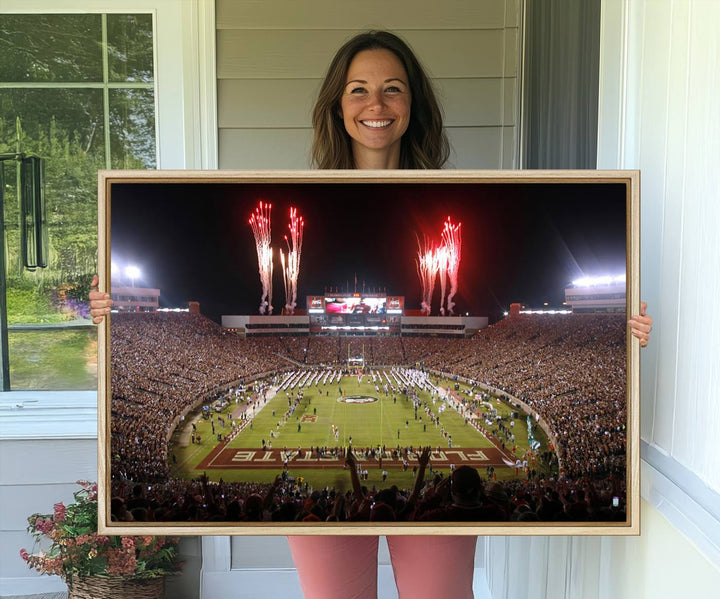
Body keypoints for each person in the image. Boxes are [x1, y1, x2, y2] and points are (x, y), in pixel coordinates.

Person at [89, 29, 653, 599]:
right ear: (338, 104)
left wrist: (618, 330)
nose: (375, 104)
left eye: (393, 89)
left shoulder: (453, 193)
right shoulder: (296, 191)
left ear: (413, 105)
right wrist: (115, 317)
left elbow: (495, 302)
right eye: (358, 89)